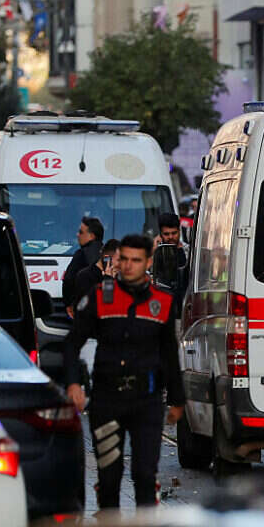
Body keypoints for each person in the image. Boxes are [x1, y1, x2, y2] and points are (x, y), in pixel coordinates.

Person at [63, 234, 185, 511]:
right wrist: (73, 384)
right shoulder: (100, 296)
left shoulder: (162, 302)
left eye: (136, 260)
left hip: (147, 401)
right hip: (107, 400)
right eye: (124, 259)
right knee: (109, 477)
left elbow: (169, 353)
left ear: (148, 262)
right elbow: (71, 343)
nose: (129, 266)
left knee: (144, 475)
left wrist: (177, 400)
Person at [62, 216, 104, 317]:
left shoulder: (81, 254)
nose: (77, 235)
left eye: (81, 232)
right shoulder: (109, 255)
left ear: (92, 236)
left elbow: (68, 280)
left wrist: (69, 303)